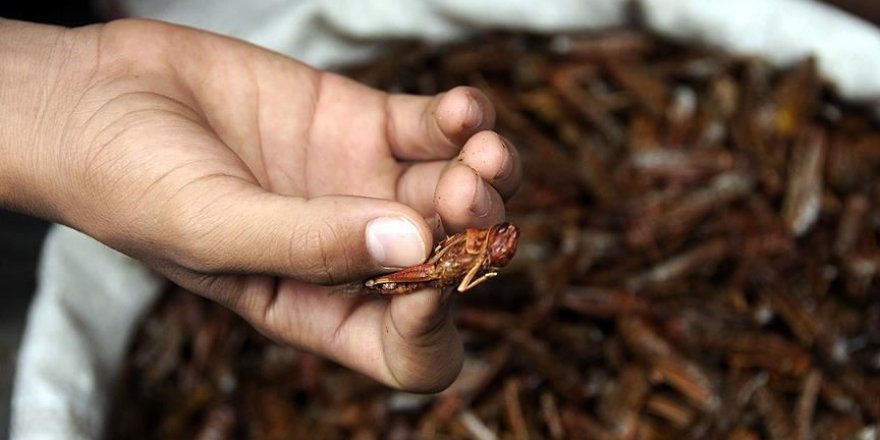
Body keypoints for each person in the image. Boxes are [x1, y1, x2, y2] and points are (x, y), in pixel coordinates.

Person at [0, 17, 521, 392]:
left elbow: (467, 273)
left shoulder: (474, 257)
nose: (497, 243)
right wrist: (56, 104)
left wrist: (63, 87)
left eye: (497, 250)